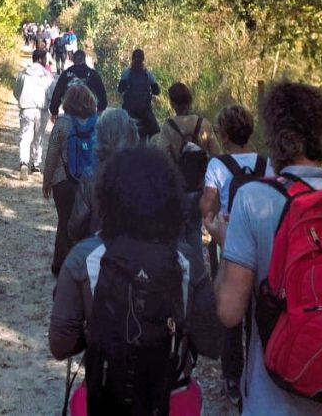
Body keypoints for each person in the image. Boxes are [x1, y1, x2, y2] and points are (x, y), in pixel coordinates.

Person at [205, 80, 322, 416]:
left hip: (276, 401)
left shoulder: (253, 201)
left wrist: (223, 242)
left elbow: (229, 311)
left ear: (276, 136)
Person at [50, 146, 220, 414]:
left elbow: (60, 345)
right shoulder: (187, 262)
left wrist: (98, 329)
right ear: (170, 201)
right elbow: (212, 343)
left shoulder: (84, 258)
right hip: (171, 398)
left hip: (103, 397)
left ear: (107, 197)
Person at [200, 103, 274, 409]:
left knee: (229, 309)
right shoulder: (266, 164)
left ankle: (232, 375)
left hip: (227, 241)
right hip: (261, 243)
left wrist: (212, 220)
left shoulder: (217, 166)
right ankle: (258, 377)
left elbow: (207, 207)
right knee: (258, 310)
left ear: (225, 134)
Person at [155, 83, 219, 281]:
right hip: (200, 190)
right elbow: (217, 156)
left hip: (177, 191)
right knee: (195, 237)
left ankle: (179, 281)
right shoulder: (204, 125)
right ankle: (198, 279)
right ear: (190, 100)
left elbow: (160, 159)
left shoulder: (168, 128)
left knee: (177, 237)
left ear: (172, 103)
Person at [42, 82, 99, 276]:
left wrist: (46, 182)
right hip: (89, 182)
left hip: (63, 181)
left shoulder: (62, 123)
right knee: (85, 222)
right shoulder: (96, 122)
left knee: (65, 221)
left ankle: (60, 265)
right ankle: (83, 263)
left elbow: (51, 155)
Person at [67, 107, 139, 244]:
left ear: (102, 136)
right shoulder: (145, 173)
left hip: (99, 252)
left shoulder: (91, 176)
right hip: (136, 255)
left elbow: (76, 226)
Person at [12, 48, 55, 180]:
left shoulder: (23, 74)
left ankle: (23, 163)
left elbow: (16, 91)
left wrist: (22, 99)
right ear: (42, 59)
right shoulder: (47, 75)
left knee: (25, 137)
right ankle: (36, 165)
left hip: (26, 108)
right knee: (39, 138)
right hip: (41, 110)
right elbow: (52, 94)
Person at [49, 49, 108, 120]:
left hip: (70, 113)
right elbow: (101, 93)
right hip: (89, 113)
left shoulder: (66, 74)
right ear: (84, 59)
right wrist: (100, 109)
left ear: (73, 60)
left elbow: (58, 93)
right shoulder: (93, 74)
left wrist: (54, 111)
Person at [117, 48, 161, 140]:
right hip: (144, 111)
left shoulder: (127, 73)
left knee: (121, 133)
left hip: (129, 111)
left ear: (132, 59)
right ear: (143, 59)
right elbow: (156, 91)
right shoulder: (148, 74)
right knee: (156, 133)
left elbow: (120, 89)